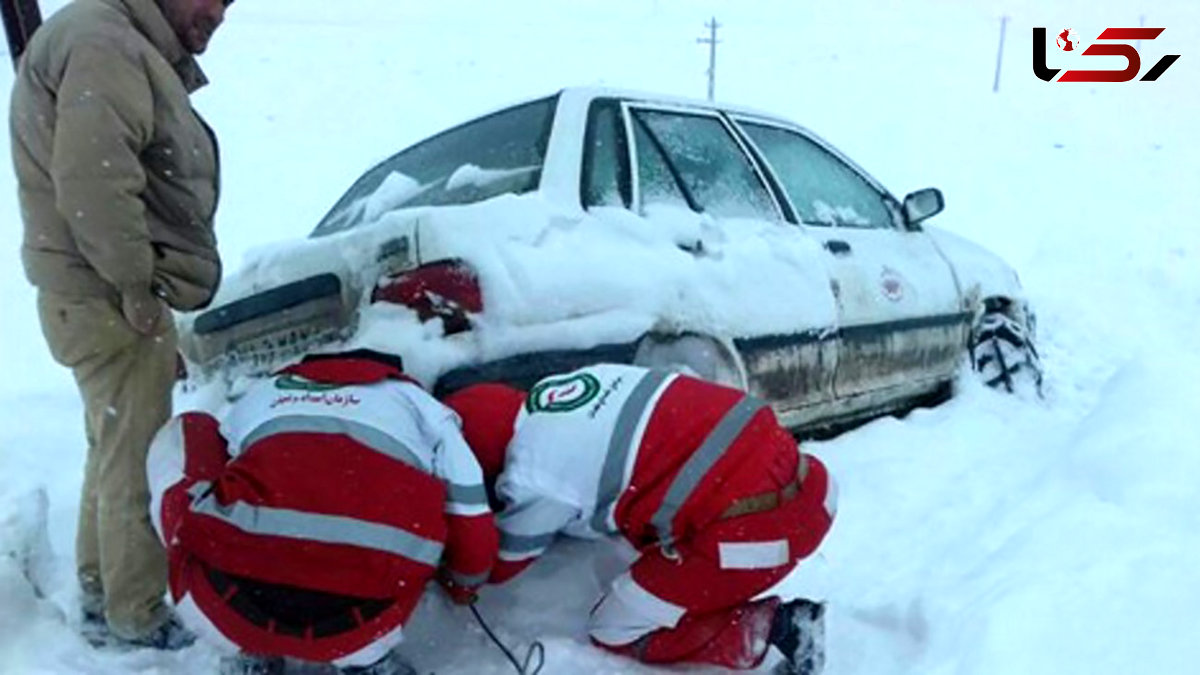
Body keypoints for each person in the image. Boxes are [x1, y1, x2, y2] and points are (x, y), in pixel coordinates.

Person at [9, 0, 233, 649]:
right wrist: (137, 289)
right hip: (107, 292)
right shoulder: (106, 42)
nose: (220, 11)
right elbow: (93, 183)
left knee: (113, 444)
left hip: (91, 289)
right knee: (135, 455)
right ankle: (136, 611)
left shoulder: (110, 38)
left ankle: (100, 589)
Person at [444, 364, 838, 675]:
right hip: (802, 477)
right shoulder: (569, 386)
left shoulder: (534, 472)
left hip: (760, 530)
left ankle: (780, 627)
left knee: (614, 629)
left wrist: (452, 575)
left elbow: (499, 563)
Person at [147, 350, 500, 675]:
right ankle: (367, 663)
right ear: (390, 374)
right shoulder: (422, 406)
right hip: (365, 620)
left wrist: (188, 550)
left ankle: (247, 651)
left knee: (192, 429)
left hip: (229, 606)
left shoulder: (261, 394)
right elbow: (469, 513)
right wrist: (463, 584)